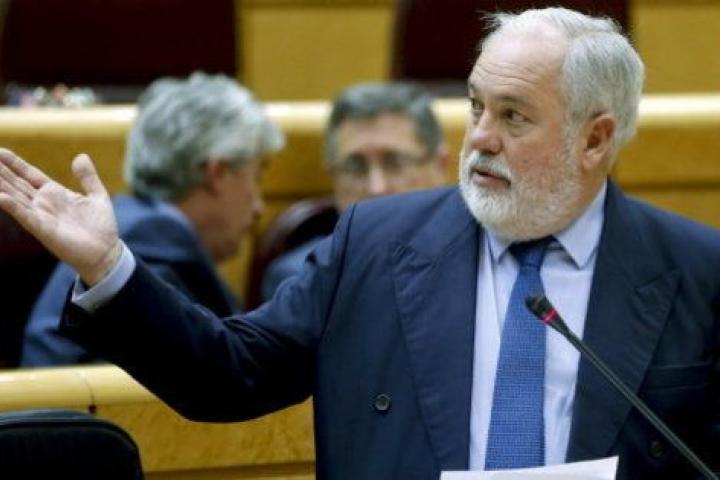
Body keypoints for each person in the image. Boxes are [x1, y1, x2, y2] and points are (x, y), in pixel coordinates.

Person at [0, 7, 717, 479]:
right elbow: (227, 373)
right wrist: (107, 266)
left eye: (514, 117)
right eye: (476, 106)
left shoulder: (696, 270)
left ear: (595, 140)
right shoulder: (377, 244)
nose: (480, 138)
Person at [20, 72, 284, 366]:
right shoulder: (154, 243)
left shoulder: (131, 222)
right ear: (217, 173)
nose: (259, 207)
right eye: (256, 176)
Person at [262, 82, 448, 300]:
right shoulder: (301, 280)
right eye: (355, 166)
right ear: (332, 176)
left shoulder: (477, 260)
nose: (376, 187)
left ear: (440, 165)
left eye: (394, 162)